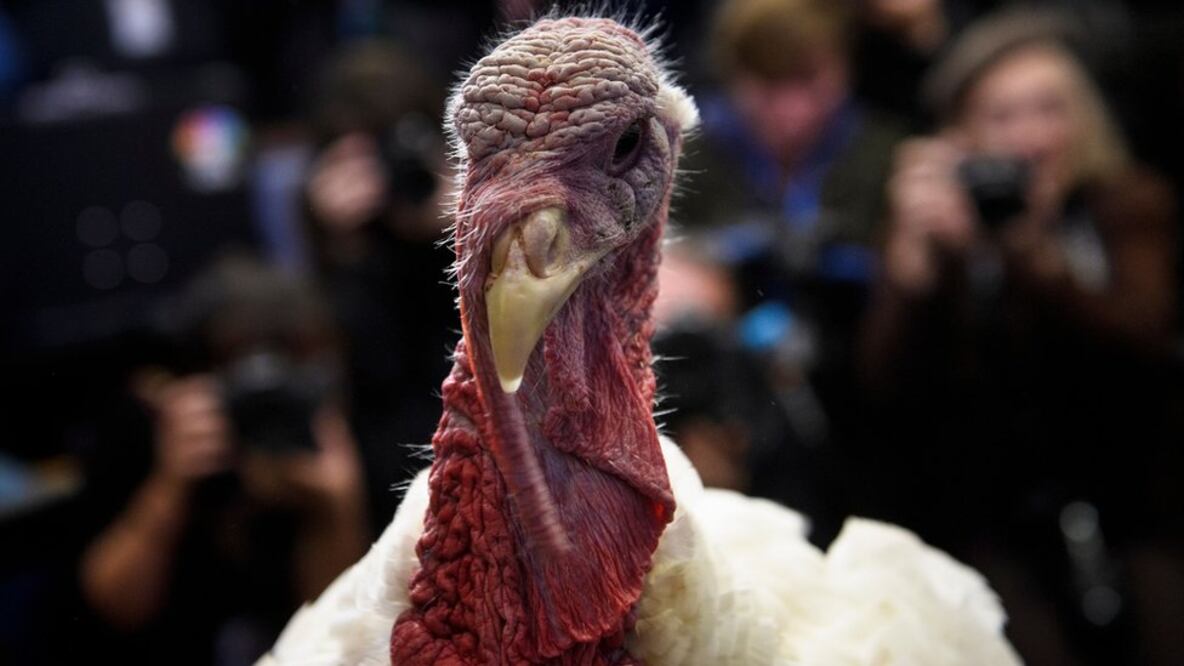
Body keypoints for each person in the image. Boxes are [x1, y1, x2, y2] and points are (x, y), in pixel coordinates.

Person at [858, 11, 1179, 665]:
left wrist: (1033, 253)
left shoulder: (1128, 203)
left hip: (1140, 504)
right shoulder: (945, 230)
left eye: (1049, 110)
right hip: (996, 526)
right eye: (1002, 117)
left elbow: (1142, 345)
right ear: (961, 136)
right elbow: (886, 390)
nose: (1030, 137)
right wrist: (915, 271)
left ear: (1086, 118)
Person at [75, 256, 369, 666]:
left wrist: (335, 507)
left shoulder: (340, 434)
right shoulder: (154, 435)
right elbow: (112, 610)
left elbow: (337, 648)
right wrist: (170, 486)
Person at [302, 40, 457, 529]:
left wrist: (469, 226)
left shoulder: (474, 214)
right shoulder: (334, 251)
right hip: (379, 486)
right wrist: (333, 246)